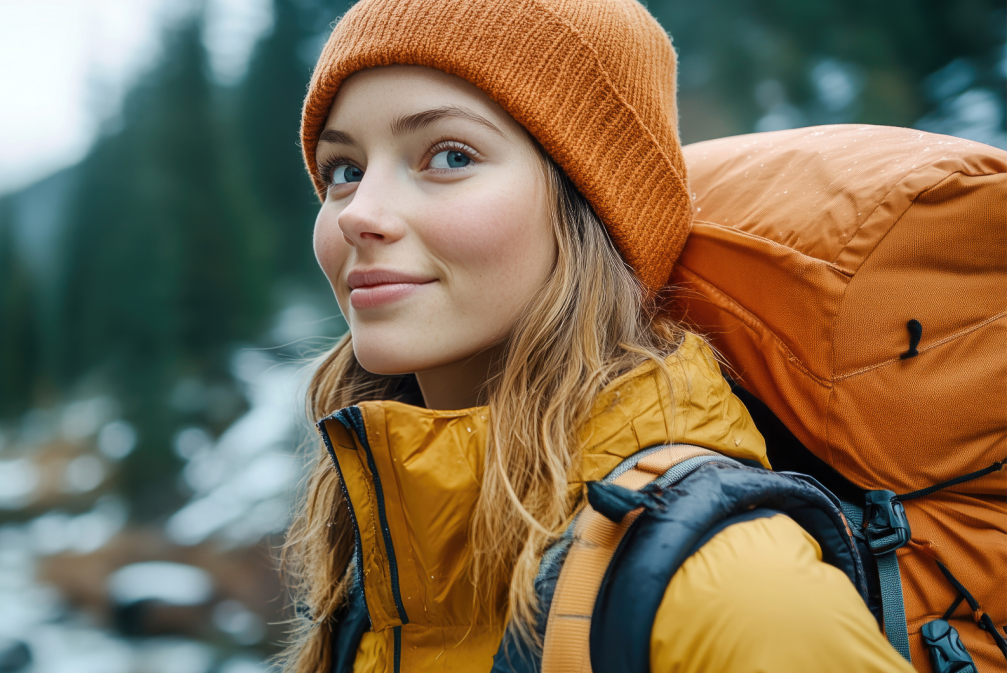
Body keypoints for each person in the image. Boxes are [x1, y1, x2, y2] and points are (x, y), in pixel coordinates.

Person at [280, 1, 918, 671]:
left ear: (591, 208)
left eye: (449, 155)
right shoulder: (376, 562)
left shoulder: (733, 591)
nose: (362, 215)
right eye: (344, 170)